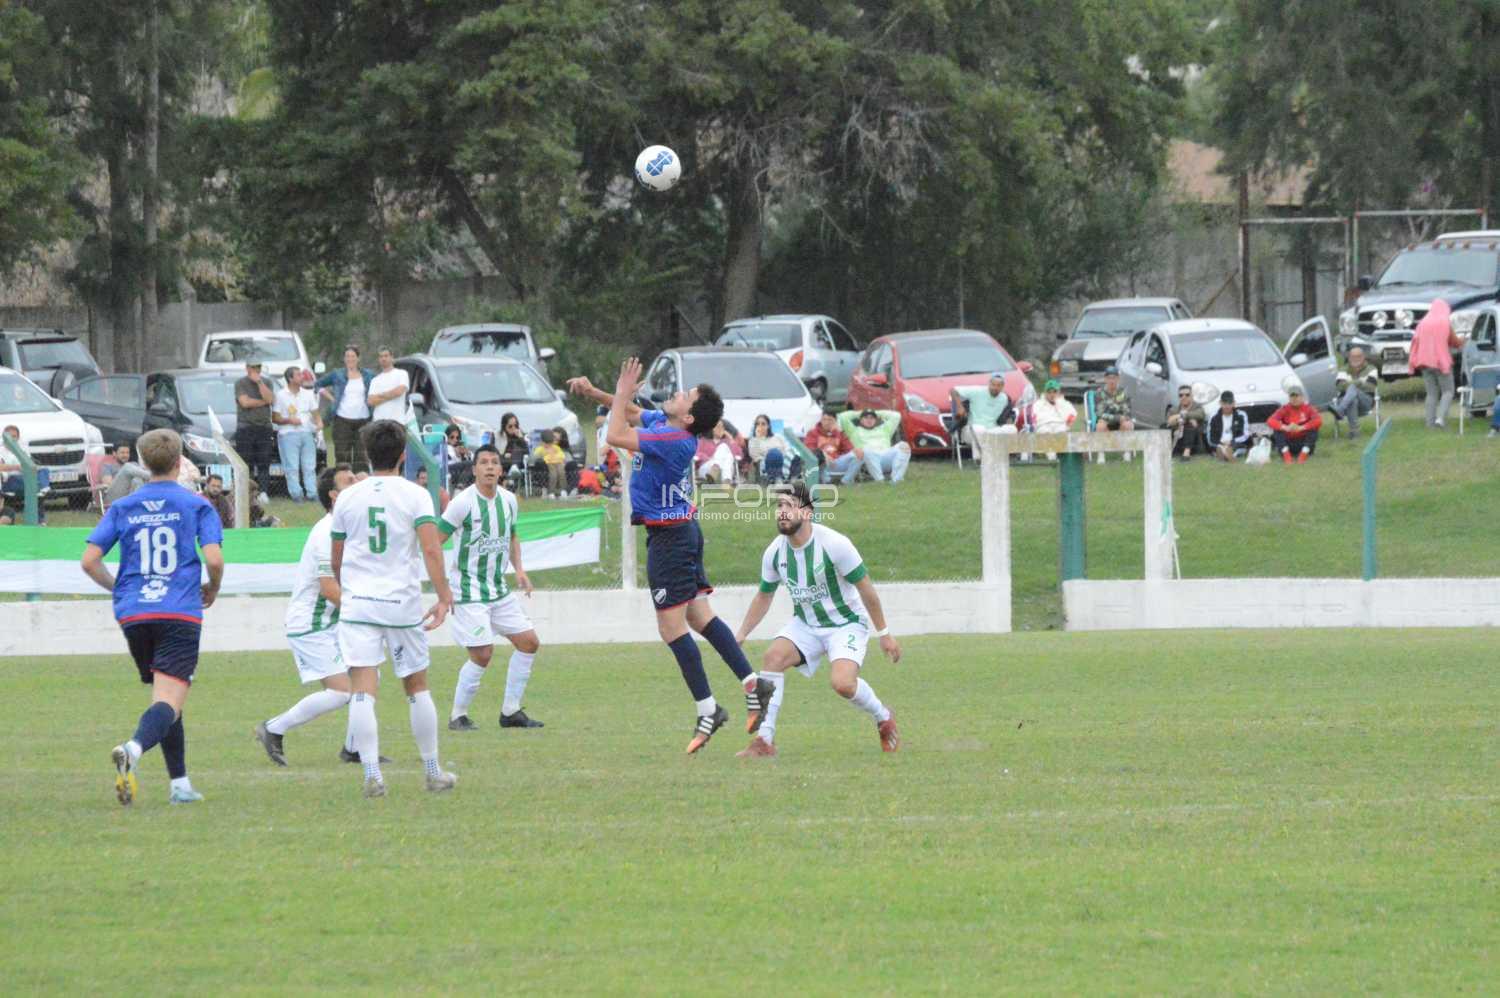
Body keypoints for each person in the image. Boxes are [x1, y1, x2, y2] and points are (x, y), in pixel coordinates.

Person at [567, 360, 771, 753]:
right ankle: (753, 684)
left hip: (671, 539)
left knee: (671, 628)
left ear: (688, 416)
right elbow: (630, 412)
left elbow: (616, 432)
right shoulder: (668, 424)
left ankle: (709, 709)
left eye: (686, 394)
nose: (678, 392)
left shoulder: (674, 440)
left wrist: (622, 388)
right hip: (682, 532)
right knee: (699, 617)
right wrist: (597, 393)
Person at [81, 428, 224, 806]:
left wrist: (120, 589)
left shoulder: (123, 506)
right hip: (178, 611)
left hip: (134, 612)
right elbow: (213, 559)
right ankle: (132, 749)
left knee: (168, 697)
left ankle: (180, 785)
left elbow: (89, 561)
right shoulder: (196, 504)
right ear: (179, 462)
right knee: (169, 699)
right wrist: (213, 587)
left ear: (143, 463)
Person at [330, 419, 458, 798]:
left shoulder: (348, 497)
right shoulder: (416, 495)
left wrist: (348, 588)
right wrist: (443, 595)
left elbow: (336, 556)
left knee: (362, 689)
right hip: (401, 604)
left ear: (366, 455)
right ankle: (432, 772)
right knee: (416, 686)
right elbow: (431, 548)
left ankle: (372, 775)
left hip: (359, 606)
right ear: (403, 455)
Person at [732, 481, 902, 757]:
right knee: (772, 657)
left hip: (845, 623)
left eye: (790, 505)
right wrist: (741, 633)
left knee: (843, 684)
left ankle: (883, 716)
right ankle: (764, 741)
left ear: (808, 513)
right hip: (807, 624)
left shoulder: (835, 544)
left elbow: (866, 588)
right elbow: (764, 595)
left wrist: (884, 633)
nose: (782, 511)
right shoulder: (775, 552)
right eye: (779, 505)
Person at [253, 464, 364, 767]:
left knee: (369, 676)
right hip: (312, 624)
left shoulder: (349, 526)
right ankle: (273, 728)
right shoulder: (327, 532)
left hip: (333, 621)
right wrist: (364, 612)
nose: (357, 484)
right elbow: (328, 588)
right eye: (350, 482)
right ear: (334, 496)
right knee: (340, 692)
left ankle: (354, 748)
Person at [441, 444, 545, 731]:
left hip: (498, 589)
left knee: (529, 642)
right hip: (468, 591)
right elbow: (434, 541)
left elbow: (511, 536)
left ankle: (511, 711)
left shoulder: (509, 500)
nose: (489, 467)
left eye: (494, 462)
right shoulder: (462, 503)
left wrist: (519, 570)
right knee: (482, 654)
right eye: (483, 462)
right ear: (474, 469)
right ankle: (457, 716)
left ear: (501, 469)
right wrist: (442, 588)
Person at [316, 345, 374, 470]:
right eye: (347, 356)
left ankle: (361, 480)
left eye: (353, 356)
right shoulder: (337, 374)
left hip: (363, 420)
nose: (350, 359)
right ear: (344, 358)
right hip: (342, 420)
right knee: (342, 456)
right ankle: (343, 480)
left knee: (361, 457)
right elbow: (318, 384)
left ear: (358, 358)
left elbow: (379, 387)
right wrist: (331, 398)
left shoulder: (368, 375)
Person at [1409, 299, 1464, 429]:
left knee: (1431, 394)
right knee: (1448, 391)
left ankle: (1429, 424)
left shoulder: (1422, 323)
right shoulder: (1444, 323)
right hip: (1441, 362)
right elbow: (1455, 342)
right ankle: (1440, 418)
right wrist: (1463, 340)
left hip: (1424, 362)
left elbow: (1415, 342)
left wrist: (1413, 360)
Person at [273, 364, 321, 502]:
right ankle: (296, 494)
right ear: (290, 378)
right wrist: (289, 420)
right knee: (292, 466)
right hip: (288, 434)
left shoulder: (308, 394)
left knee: (309, 465)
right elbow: (275, 418)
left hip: (307, 432)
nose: (302, 377)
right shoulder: (281, 395)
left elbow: (315, 412)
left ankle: (312, 493)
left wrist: (319, 423)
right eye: (298, 375)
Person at [234, 360, 277, 492]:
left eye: (258, 367)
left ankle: (263, 492)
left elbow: (270, 399)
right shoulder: (240, 383)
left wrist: (259, 383)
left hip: (264, 427)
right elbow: (245, 403)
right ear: (247, 368)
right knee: (246, 463)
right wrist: (263, 402)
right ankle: (246, 491)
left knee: (264, 461)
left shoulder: (267, 382)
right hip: (246, 427)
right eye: (253, 367)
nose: (256, 369)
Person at [951, 373, 1014, 461]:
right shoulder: (977, 391)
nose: (995, 388)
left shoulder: (1004, 398)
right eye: (993, 385)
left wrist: (1008, 420)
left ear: (1002, 387)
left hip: (992, 430)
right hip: (971, 430)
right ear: (989, 384)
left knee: (1011, 429)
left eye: (998, 385)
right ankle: (980, 458)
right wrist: (960, 407)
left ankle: (1000, 457)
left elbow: (1008, 414)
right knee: (979, 429)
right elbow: (953, 390)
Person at [845, 408, 910, 484]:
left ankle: (896, 480)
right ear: (860, 420)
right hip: (868, 460)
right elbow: (843, 417)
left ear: (876, 420)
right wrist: (860, 413)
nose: (869, 420)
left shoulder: (884, 429)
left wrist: (875, 412)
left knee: (904, 445)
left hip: (886, 456)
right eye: (866, 417)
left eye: (872, 418)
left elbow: (896, 416)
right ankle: (880, 480)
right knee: (866, 450)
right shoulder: (854, 431)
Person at [1328, 346, 1380, 439]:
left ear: (1363, 357)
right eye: (1353, 356)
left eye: (1359, 356)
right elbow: (1339, 386)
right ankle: (1355, 432)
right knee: (1353, 400)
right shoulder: (1343, 369)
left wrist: (1352, 384)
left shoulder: (1372, 369)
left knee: (1353, 388)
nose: (1356, 359)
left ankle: (1340, 410)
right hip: (1345, 400)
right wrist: (1360, 381)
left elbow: (1371, 386)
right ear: (1349, 358)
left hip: (1365, 402)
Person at [1267, 385, 1322, 464]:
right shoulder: (1284, 409)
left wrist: (1302, 427)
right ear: (1289, 398)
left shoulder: (1309, 408)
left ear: (1302, 397)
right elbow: (1270, 420)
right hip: (1288, 444)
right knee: (1277, 430)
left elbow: (1318, 420)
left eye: (1297, 396)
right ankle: (1287, 456)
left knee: (1314, 429)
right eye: (1292, 396)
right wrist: (1285, 427)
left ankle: (1303, 455)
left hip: (1304, 444)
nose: (1294, 399)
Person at [803, 410, 859, 484]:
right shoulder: (813, 433)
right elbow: (809, 449)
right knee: (819, 456)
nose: (827, 422)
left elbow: (849, 449)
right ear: (821, 420)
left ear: (835, 421)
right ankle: (828, 482)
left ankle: (844, 481)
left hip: (836, 462)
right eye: (824, 419)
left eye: (830, 420)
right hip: (822, 463)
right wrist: (824, 455)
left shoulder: (839, 433)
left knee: (859, 454)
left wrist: (839, 432)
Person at [746, 414, 798, 482]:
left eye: (763, 424)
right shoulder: (753, 440)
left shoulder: (778, 436)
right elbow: (755, 456)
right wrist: (757, 438)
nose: (760, 426)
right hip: (767, 465)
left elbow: (788, 448)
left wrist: (783, 457)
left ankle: (793, 479)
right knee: (774, 453)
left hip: (783, 462)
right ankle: (778, 479)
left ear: (768, 426)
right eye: (757, 424)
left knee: (795, 455)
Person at [366, 347, 409, 424]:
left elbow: (399, 392)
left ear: (392, 358)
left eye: (386, 356)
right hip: (378, 422)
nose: (383, 359)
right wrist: (391, 395)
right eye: (381, 356)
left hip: (397, 422)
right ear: (379, 360)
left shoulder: (402, 374)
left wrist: (380, 395)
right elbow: (370, 401)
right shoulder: (375, 380)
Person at [1206, 390, 1251, 461]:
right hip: (1219, 443)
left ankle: (1227, 454)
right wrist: (1221, 443)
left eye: (1229, 403)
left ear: (1234, 403)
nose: (1227, 406)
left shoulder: (1241, 415)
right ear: (1220, 403)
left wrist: (1232, 441)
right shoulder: (1213, 416)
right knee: (1219, 448)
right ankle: (1224, 453)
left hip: (1235, 443)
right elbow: (1210, 438)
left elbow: (1245, 435)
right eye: (1224, 403)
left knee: (1238, 448)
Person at [1166, 386, 1207, 460]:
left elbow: (1200, 415)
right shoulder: (1174, 409)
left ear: (1192, 396)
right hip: (1178, 438)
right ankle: (1165, 450)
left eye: (1187, 395)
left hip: (1194, 443)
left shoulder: (1198, 407)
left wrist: (1181, 417)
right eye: (1181, 395)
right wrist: (1181, 419)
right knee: (1164, 427)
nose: (1184, 397)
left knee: (1190, 425)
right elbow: (1169, 422)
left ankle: (1186, 453)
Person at [695, 420, 741, 484]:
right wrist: (709, 458)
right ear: (712, 429)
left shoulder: (727, 442)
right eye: (718, 426)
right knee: (725, 450)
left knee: (727, 453)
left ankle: (718, 472)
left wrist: (730, 439)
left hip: (724, 468)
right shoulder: (703, 441)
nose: (720, 429)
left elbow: (738, 454)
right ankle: (726, 481)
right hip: (707, 468)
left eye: (722, 427)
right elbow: (696, 454)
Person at [1092, 367, 1134, 432]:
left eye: (1114, 378)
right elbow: (1100, 414)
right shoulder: (1099, 393)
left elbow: (1127, 413)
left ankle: (1122, 439)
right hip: (1106, 423)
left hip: (1121, 423)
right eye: (1109, 378)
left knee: (1128, 424)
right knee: (1100, 426)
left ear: (1118, 379)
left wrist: (1122, 418)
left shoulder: (1124, 393)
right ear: (1105, 379)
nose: (1111, 381)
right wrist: (1117, 418)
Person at [531, 428, 568, 496]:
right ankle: (551, 492)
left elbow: (562, 455)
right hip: (549, 464)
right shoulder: (540, 449)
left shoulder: (556, 447)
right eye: (547, 444)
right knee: (553, 475)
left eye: (550, 443)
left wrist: (557, 456)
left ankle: (563, 490)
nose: (549, 445)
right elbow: (535, 457)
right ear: (542, 442)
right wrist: (544, 454)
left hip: (558, 463)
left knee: (561, 472)